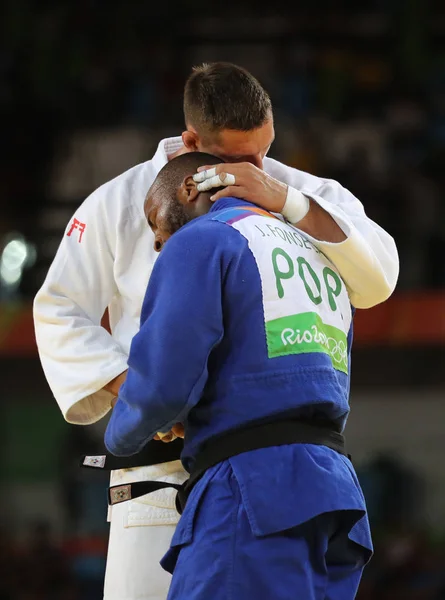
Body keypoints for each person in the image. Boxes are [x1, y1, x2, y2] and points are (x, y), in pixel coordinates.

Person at [33, 62, 398, 600]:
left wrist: (286, 201)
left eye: (263, 152)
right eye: (236, 158)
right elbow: (59, 307)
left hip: (267, 464)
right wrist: (134, 391)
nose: (253, 170)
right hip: (159, 471)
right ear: (190, 142)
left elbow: (378, 281)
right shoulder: (118, 201)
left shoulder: (300, 190)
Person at [105, 151, 374, 600]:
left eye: (156, 225)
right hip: (334, 497)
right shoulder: (314, 253)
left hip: (250, 492)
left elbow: (158, 389)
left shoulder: (203, 238)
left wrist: (120, 440)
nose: (158, 244)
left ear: (188, 190)